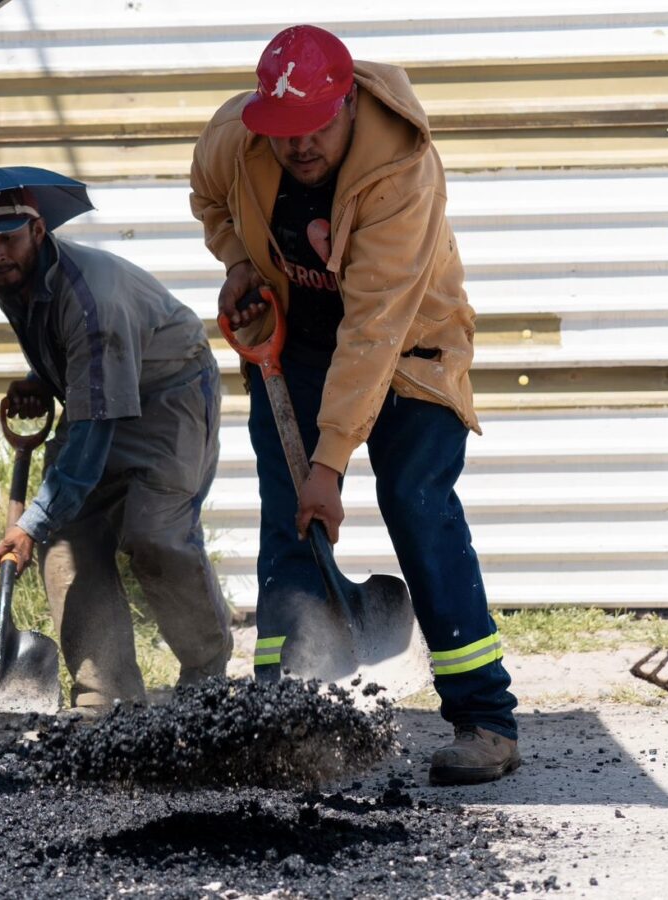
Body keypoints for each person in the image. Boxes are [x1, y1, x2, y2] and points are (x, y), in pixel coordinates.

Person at [190, 24, 519, 785]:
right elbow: (207, 196)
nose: (298, 147)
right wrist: (239, 261)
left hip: (409, 347)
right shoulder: (238, 137)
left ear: (345, 104)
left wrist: (330, 462)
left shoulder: (400, 170)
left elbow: (372, 330)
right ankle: (281, 714)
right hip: (297, 348)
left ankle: (485, 719)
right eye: (283, 135)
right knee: (289, 519)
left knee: (415, 501)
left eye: (314, 129)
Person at [0, 179, 232, 713]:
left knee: (154, 533)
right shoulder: (13, 279)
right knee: (68, 541)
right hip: (103, 390)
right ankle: (106, 695)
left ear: (38, 231)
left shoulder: (92, 300)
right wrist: (42, 375)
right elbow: (75, 358)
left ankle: (207, 676)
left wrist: (29, 523)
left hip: (167, 397)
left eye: (8, 239)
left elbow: (90, 434)